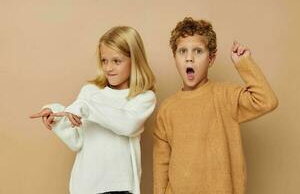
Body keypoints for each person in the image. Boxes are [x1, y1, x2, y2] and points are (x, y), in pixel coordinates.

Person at [153, 17, 278, 194]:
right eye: (182, 51)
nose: (189, 58)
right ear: (175, 57)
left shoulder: (225, 95)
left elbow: (266, 100)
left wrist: (244, 63)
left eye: (197, 51)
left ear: (211, 59)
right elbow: (161, 164)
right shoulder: (167, 109)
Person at [30, 26, 156, 194]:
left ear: (135, 60)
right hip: (86, 187)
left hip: (121, 188)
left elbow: (128, 124)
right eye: (104, 60)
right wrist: (57, 116)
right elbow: (77, 141)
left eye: (116, 61)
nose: (108, 68)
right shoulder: (90, 92)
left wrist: (86, 108)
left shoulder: (143, 97)